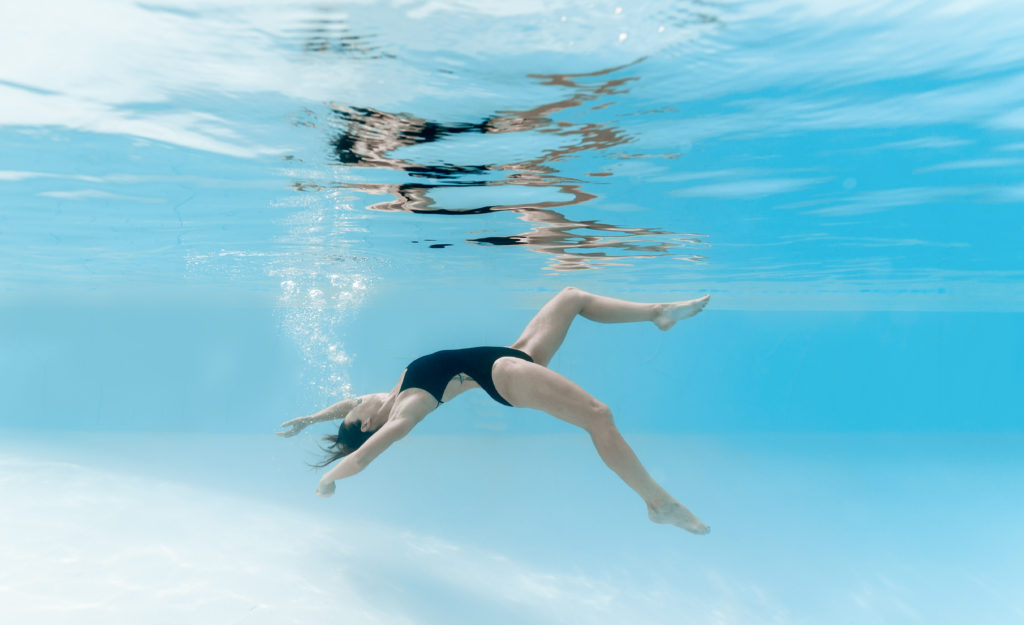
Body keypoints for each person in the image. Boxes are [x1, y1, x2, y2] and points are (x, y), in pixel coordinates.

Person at [277, 287, 711, 534]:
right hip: (504, 375)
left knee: (572, 297)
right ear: (368, 424)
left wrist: (309, 420)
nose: (353, 404)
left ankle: (658, 313)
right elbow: (363, 456)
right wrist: (328, 478)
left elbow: (347, 405)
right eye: (352, 417)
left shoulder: (379, 400)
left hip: (512, 353)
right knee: (598, 415)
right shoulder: (405, 411)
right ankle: (658, 503)